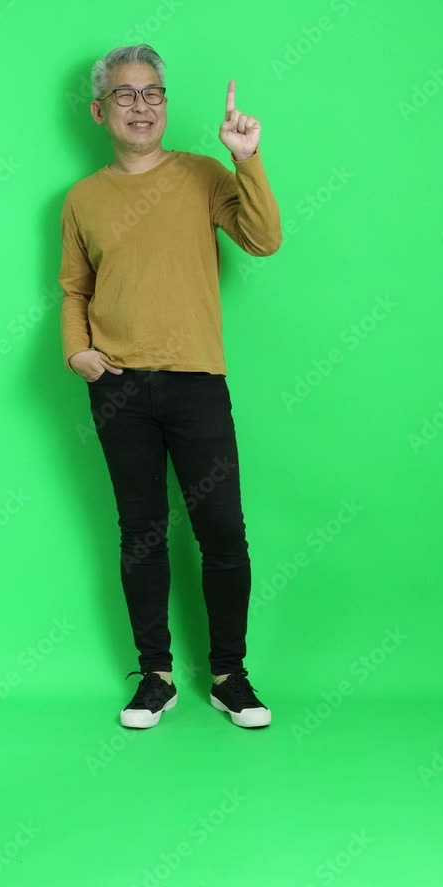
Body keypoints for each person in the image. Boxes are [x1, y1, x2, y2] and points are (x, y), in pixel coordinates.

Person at [58, 44, 282, 729]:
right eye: (125, 94)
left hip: (196, 383)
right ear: (100, 111)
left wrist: (246, 158)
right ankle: (155, 677)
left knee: (223, 532)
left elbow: (264, 239)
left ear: (165, 103)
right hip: (118, 388)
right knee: (141, 534)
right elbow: (74, 288)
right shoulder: (83, 198)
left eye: (152, 92)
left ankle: (229, 675)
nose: (141, 105)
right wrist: (77, 352)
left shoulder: (202, 174)